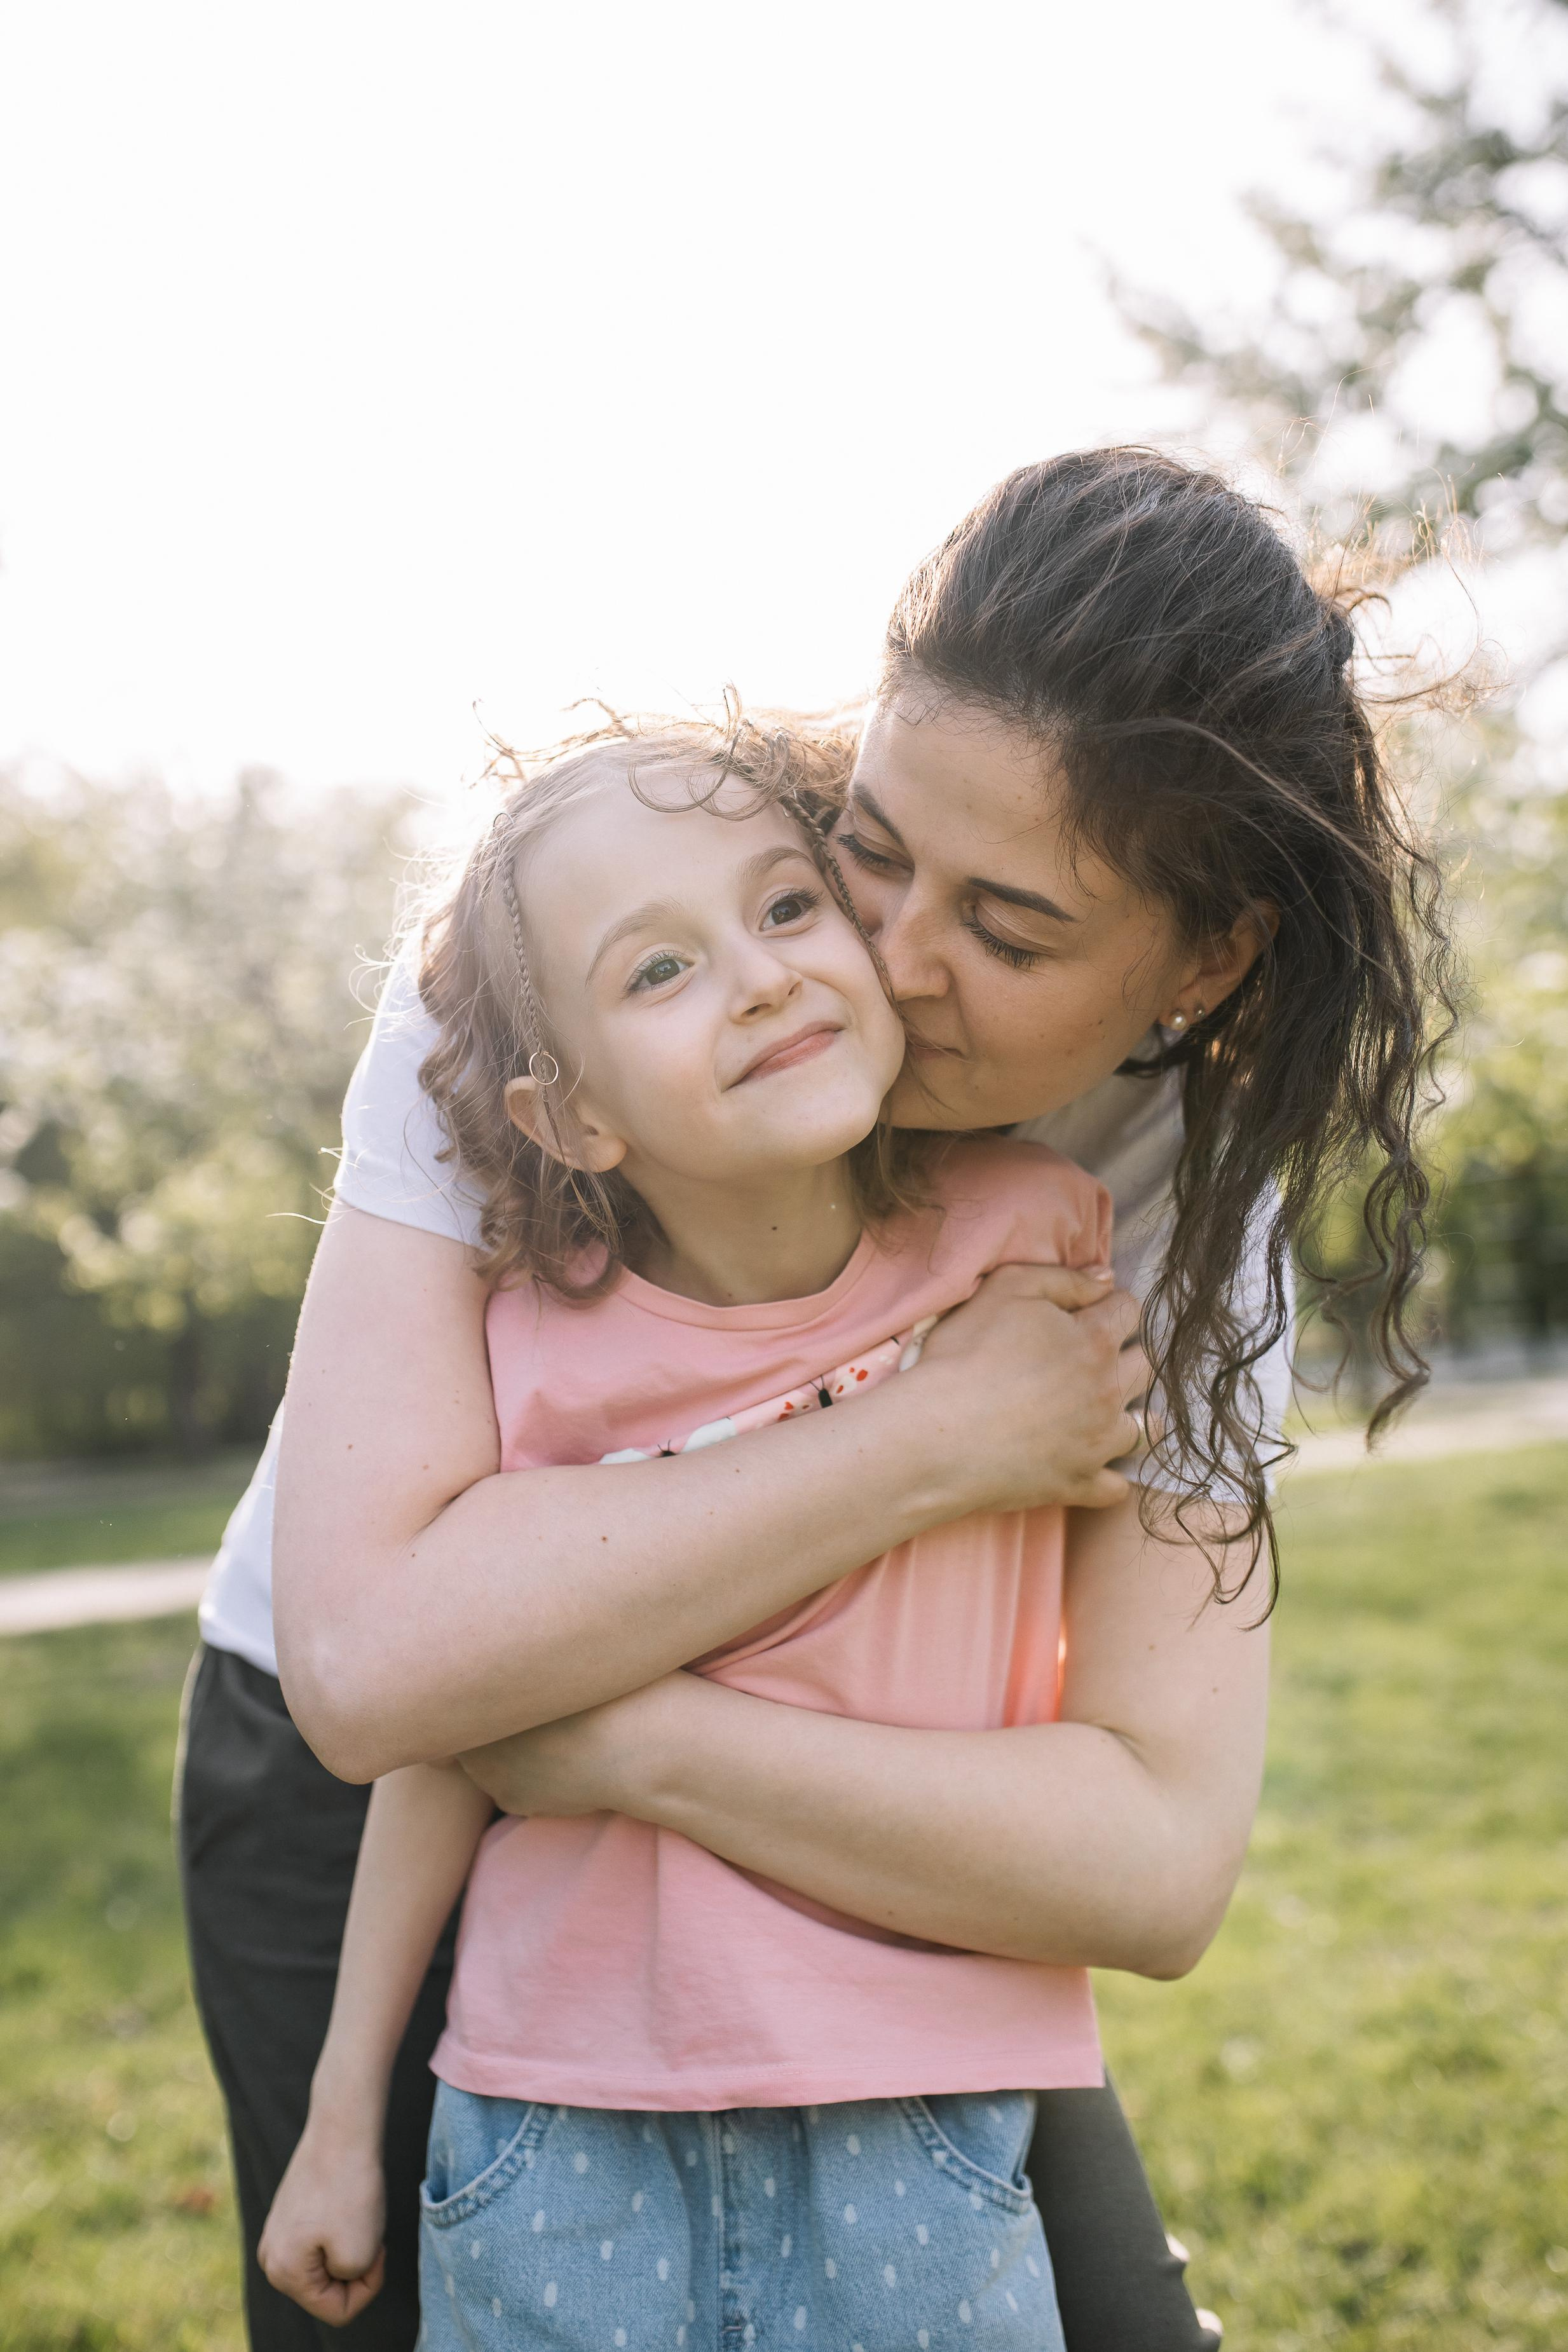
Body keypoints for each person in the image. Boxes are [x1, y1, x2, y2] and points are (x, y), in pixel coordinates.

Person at [179, 449, 1450, 2352]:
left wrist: (629, 1741)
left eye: (1008, 932)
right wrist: (927, 1438)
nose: (874, 959)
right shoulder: (563, 949)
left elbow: (1155, 1857)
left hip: (844, 1846)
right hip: (372, 1815)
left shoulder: (1187, 1191)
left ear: (1205, 959)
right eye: (865, 843)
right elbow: (378, 1668)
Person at [257, 723, 1142, 2348]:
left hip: (918, 2097)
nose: (756, 978)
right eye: (660, 969)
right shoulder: (532, 1351)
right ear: (572, 1115)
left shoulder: (1036, 1239)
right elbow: (438, 1736)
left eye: (791, 908)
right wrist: (338, 2116)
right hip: (552, 2116)